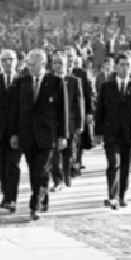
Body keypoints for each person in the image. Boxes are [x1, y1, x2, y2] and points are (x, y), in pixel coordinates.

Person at [9, 48, 69, 220]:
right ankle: (42, 200)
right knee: (35, 171)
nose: (29, 67)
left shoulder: (56, 82)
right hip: (27, 135)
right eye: (28, 64)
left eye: (33, 64)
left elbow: (62, 111)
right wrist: (14, 134)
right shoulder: (22, 82)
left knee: (41, 170)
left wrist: (63, 136)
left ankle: (34, 204)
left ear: (43, 63)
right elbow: (15, 110)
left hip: (47, 136)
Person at [94, 53, 131, 209]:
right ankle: (112, 196)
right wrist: (98, 132)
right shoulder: (106, 87)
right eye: (122, 64)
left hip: (130, 134)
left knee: (125, 165)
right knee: (113, 163)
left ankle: (121, 195)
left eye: (128, 65)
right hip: (111, 133)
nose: (125, 68)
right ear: (116, 66)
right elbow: (100, 110)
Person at [0, 50, 20, 213]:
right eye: (5, 60)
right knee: (0, 166)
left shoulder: (21, 81)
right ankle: (5, 194)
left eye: (11, 59)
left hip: (16, 133)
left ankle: (11, 198)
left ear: (16, 61)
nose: (8, 63)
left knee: (13, 165)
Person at [50, 54, 84, 189]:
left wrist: (79, 124)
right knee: (54, 154)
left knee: (68, 153)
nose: (58, 65)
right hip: (52, 124)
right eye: (55, 63)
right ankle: (57, 180)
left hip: (69, 123)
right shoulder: (48, 80)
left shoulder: (74, 81)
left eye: (60, 62)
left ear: (66, 64)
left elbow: (79, 103)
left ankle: (66, 176)